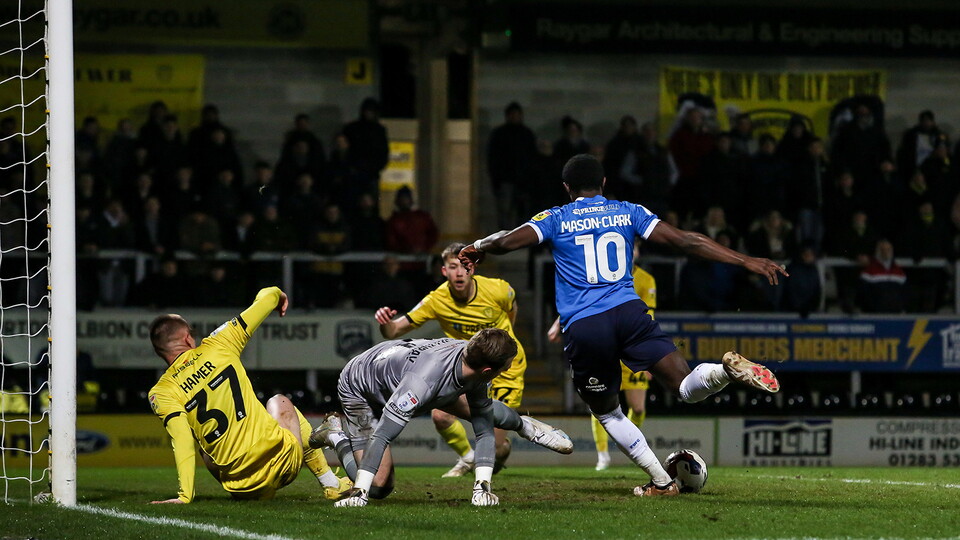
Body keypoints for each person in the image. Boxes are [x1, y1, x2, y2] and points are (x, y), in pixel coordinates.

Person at [459, 154, 785, 496]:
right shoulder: (629, 211)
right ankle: (723, 372)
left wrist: (478, 247)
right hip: (629, 313)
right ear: (603, 184)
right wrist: (746, 259)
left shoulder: (556, 217)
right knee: (686, 388)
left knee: (610, 414)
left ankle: (661, 482)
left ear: (567, 188)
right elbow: (687, 241)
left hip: (586, 326)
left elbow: (507, 241)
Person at [308, 329, 572, 508]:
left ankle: (526, 426)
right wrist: (360, 493)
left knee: (481, 411)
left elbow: (483, 428)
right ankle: (336, 435)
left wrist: (482, 487)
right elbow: (383, 434)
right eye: (508, 365)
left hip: (409, 374)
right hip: (360, 387)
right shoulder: (421, 384)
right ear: (491, 371)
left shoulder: (472, 361)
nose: (510, 368)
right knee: (379, 486)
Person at [146, 286, 352, 503]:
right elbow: (268, 297)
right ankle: (331, 484)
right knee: (280, 402)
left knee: (204, 450)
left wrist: (185, 495)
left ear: (160, 352)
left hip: (243, 486)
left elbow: (182, 439)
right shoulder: (219, 343)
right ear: (188, 339)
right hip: (284, 465)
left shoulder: (161, 392)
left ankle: (256, 491)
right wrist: (278, 295)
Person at [373, 243, 527, 478]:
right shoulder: (437, 299)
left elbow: (512, 308)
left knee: (494, 444)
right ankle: (467, 457)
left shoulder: (497, 289)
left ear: (472, 269)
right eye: (452, 267)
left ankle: (498, 453)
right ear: (444, 271)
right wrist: (385, 323)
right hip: (464, 369)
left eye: (464, 267)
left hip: (504, 370)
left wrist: (504, 346)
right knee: (440, 416)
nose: (459, 272)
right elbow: (394, 331)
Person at [548, 239, 657, 471]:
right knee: (602, 403)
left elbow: (648, 318)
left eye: (635, 248)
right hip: (605, 347)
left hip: (632, 349)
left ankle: (626, 441)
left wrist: (649, 356)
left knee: (638, 408)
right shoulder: (600, 272)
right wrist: (559, 323)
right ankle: (603, 455)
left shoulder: (646, 280)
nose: (632, 252)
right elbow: (582, 301)